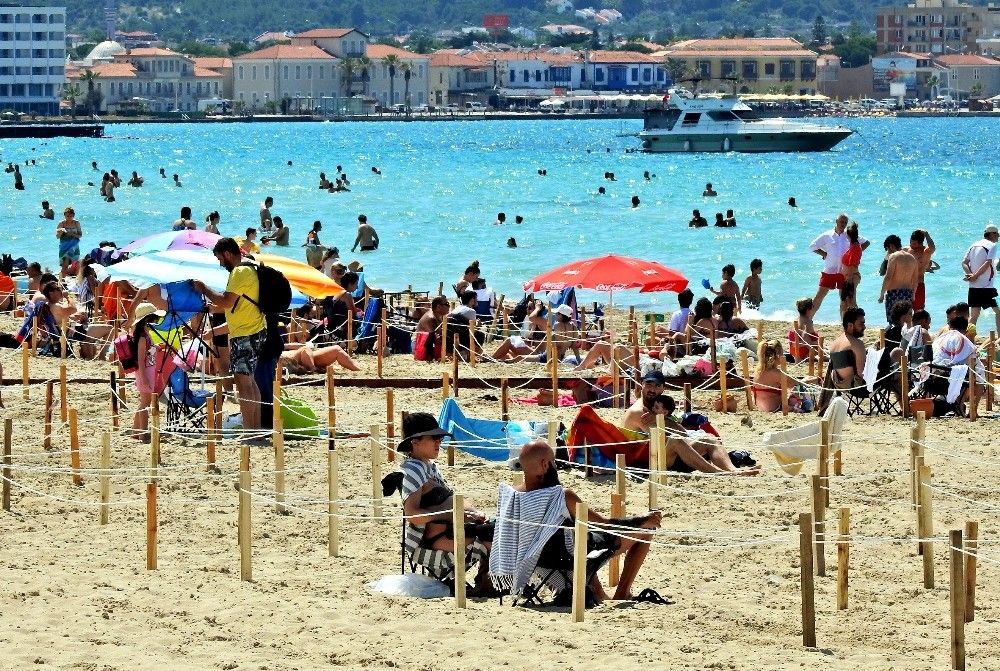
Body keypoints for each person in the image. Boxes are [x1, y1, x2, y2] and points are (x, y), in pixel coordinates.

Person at [511, 439, 662, 603]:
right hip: (567, 560)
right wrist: (642, 519)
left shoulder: (512, 496)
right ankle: (622, 592)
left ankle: (598, 592)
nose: (555, 467)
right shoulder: (563, 496)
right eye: (553, 462)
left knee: (579, 536)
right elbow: (605, 524)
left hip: (536, 563)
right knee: (646, 529)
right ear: (545, 464)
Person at [397, 412, 495, 596]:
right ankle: (489, 583)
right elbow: (412, 514)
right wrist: (451, 514)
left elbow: (448, 501)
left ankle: (489, 582)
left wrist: (471, 513)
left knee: (497, 527)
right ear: (415, 441)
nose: (439, 442)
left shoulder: (429, 467)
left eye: (440, 438)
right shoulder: (412, 470)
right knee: (493, 533)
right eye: (433, 438)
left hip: (452, 529)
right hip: (436, 539)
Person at [191, 238, 267, 432]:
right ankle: (255, 429)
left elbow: (226, 301)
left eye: (220, 258)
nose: (220, 263)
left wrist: (203, 288)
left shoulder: (239, 272)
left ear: (226, 254)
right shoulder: (251, 268)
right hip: (254, 330)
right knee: (250, 382)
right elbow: (236, 305)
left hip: (245, 333)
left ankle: (250, 431)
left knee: (243, 383)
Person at [622, 370, 759, 474]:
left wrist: (664, 420)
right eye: (648, 384)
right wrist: (667, 423)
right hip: (646, 462)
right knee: (675, 440)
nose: (652, 389)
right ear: (642, 385)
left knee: (709, 438)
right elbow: (663, 439)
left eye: (657, 386)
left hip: (666, 456)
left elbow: (683, 433)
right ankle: (717, 473)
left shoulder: (656, 408)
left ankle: (733, 470)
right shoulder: (639, 412)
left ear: (663, 389)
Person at [809, 213, 869, 316]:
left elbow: (866, 242)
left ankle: (844, 323)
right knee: (819, 296)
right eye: (841, 221)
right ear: (836, 221)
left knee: (844, 300)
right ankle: (807, 318)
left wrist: (855, 254)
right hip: (829, 271)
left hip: (843, 273)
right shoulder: (827, 235)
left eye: (845, 222)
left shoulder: (849, 234)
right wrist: (824, 254)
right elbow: (812, 246)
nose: (843, 224)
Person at [129, 302, 168, 442]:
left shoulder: (146, 335)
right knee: (145, 403)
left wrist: (156, 347)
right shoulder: (142, 338)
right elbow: (140, 360)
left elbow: (146, 353)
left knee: (144, 402)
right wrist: (144, 378)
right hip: (145, 372)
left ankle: (136, 431)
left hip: (147, 372)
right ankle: (143, 433)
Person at [932, 314, 985, 415]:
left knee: (963, 371)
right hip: (948, 378)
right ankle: (973, 410)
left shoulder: (939, 339)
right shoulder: (963, 340)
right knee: (979, 372)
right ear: (966, 329)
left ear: (950, 326)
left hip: (932, 376)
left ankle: (959, 405)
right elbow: (971, 356)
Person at [962, 224, 1000, 335]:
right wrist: (975, 276)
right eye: (997, 235)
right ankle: (999, 337)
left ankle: (968, 339)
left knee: (973, 316)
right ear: (992, 234)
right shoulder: (992, 245)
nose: (998, 237)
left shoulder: (973, 245)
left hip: (973, 287)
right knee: (999, 311)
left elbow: (964, 263)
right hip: (987, 287)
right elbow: (988, 263)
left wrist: (970, 275)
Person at [879, 234, 919, 324]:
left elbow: (888, 277)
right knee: (906, 322)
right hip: (908, 293)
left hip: (894, 293)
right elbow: (915, 280)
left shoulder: (893, 256)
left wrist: (882, 294)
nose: (888, 253)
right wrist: (913, 295)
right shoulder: (912, 258)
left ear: (891, 246)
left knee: (893, 322)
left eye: (887, 249)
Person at [752, 340, 786, 413]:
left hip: (759, 408)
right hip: (774, 408)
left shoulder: (757, 371)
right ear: (778, 355)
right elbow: (795, 384)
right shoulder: (776, 373)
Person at [279, 343, 360, 373]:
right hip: (294, 359)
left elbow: (302, 346)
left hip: (306, 356)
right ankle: (313, 368)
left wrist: (286, 345)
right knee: (305, 349)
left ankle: (356, 368)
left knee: (336, 349)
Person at [906, 229, 936, 311]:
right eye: (910, 242)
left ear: (920, 243)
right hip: (906, 285)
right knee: (904, 311)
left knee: (918, 311)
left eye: (914, 243)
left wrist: (926, 234)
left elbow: (932, 248)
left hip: (918, 285)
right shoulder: (907, 250)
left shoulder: (925, 252)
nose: (911, 245)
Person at [414, 296, 449, 361]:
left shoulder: (438, 316)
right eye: (447, 304)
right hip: (422, 349)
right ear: (438, 306)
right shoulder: (431, 318)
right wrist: (431, 359)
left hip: (427, 347)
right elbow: (431, 340)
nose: (449, 307)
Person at [840, 221, 863, 313]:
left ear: (849, 235)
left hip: (851, 277)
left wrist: (848, 281)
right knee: (847, 301)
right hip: (849, 277)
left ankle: (858, 318)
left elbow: (851, 265)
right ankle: (849, 319)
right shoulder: (853, 245)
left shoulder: (855, 247)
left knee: (851, 301)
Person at [788, 297, 819, 363]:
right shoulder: (807, 322)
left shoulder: (795, 321)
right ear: (808, 310)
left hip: (793, 352)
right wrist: (817, 344)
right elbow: (806, 340)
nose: (813, 308)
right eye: (812, 307)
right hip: (804, 354)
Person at [56, 207, 83, 279]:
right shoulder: (61, 223)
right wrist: (61, 231)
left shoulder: (76, 223)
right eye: (67, 216)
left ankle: (77, 282)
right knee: (65, 264)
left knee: (76, 265)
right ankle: (62, 281)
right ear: (64, 215)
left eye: (71, 216)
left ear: (73, 215)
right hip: (64, 247)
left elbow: (80, 235)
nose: (69, 218)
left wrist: (71, 234)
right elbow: (57, 237)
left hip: (74, 247)